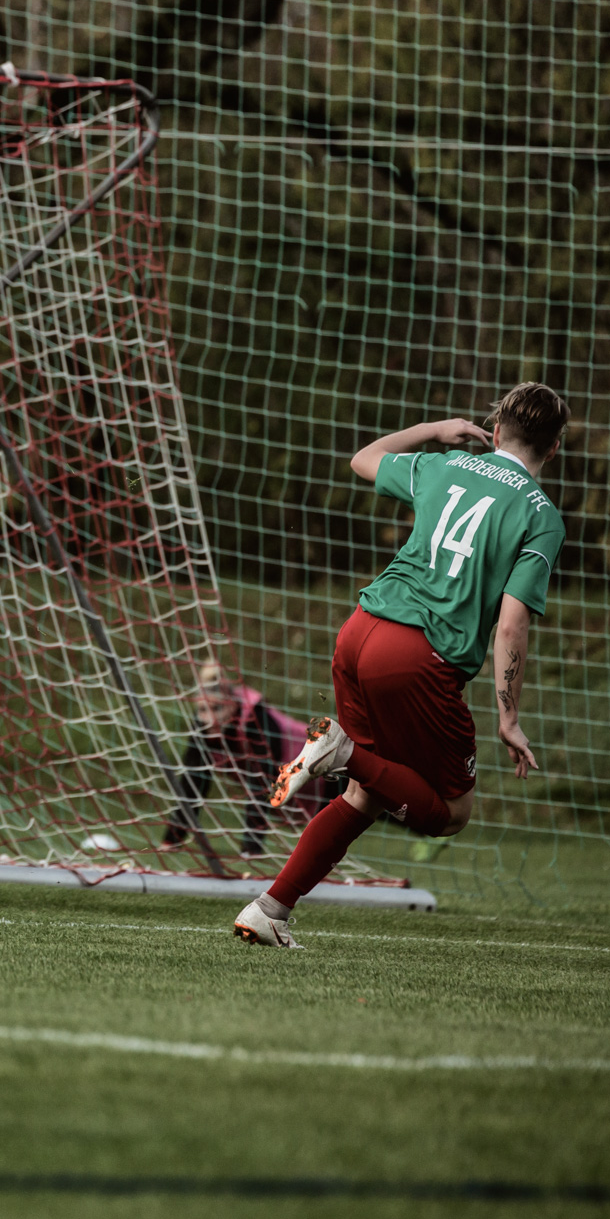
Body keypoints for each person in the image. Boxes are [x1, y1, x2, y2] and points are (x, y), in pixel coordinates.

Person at [233, 383, 569, 948]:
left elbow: (363, 459)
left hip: (359, 632)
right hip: (418, 659)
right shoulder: (542, 516)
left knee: (365, 793)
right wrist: (509, 718)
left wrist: (437, 430)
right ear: (554, 448)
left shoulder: (450, 463)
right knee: (452, 811)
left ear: (497, 428)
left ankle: (271, 909)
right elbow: (511, 623)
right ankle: (341, 752)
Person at [162, 663, 330, 857]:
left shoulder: (256, 720)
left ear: (232, 704)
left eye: (217, 709)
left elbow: (260, 785)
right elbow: (193, 782)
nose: (210, 719)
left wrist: (251, 849)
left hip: (325, 767)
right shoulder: (203, 726)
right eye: (202, 710)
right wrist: (172, 839)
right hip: (296, 786)